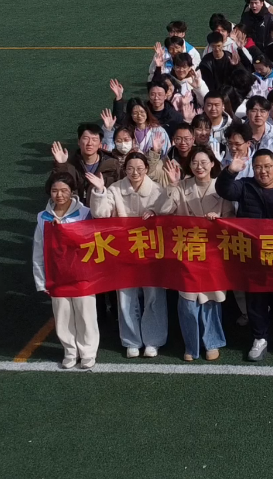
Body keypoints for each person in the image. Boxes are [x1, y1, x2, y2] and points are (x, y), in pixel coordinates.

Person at [216, 148, 273, 361]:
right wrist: (230, 171)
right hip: (253, 256)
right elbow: (223, 190)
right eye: (258, 167)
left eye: (267, 166)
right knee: (256, 301)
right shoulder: (245, 186)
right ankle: (259, 338)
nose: (263, 171)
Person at [87, 152, 173, 359]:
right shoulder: (115, 189)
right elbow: (101, 214)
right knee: (125, 297)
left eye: (140, 168)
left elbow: (169, 211)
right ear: (124, 169)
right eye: (130, 168)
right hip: (124, 252)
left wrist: (157, 212)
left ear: (147, 169)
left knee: (154, 296)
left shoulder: (157, 189)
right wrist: (99, 191)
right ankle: (131, 341)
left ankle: (153, 340)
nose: (135, 173)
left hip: (151, 252)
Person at [166, 145, 231, 361]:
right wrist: (172, 185)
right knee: (187, 301)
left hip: (212, 253)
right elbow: (164, 210)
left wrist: (219, 220)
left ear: (212, 163)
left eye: (204, 162)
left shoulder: (221, 188)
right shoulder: (181, 186)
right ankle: (191, 345)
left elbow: (231, 219)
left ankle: (212, 342)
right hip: (187, 252)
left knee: (211, 300)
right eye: (194, 163)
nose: (199, 166)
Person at [32, 173, 97, 370]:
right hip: (57, 275)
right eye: (54, 191)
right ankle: (69, 352)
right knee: (63, 316)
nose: (59, 195)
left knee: (85, 315)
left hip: (82, 274)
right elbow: (39, 250)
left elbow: (92, 242)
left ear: (72, 192)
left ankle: (88, 353)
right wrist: (41, 280)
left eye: (64, 190)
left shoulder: (85, 213)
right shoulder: (42, 217)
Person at [50, 123, 120, 204]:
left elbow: (120, 190)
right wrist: (60, 165)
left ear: (100, 144)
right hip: (74, 208)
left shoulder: (112, 164)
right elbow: (52, 188)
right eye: (86, 138)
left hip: (104, 207)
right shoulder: (68, 163)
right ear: (78, 142)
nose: (89, 143)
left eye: (94, 139)